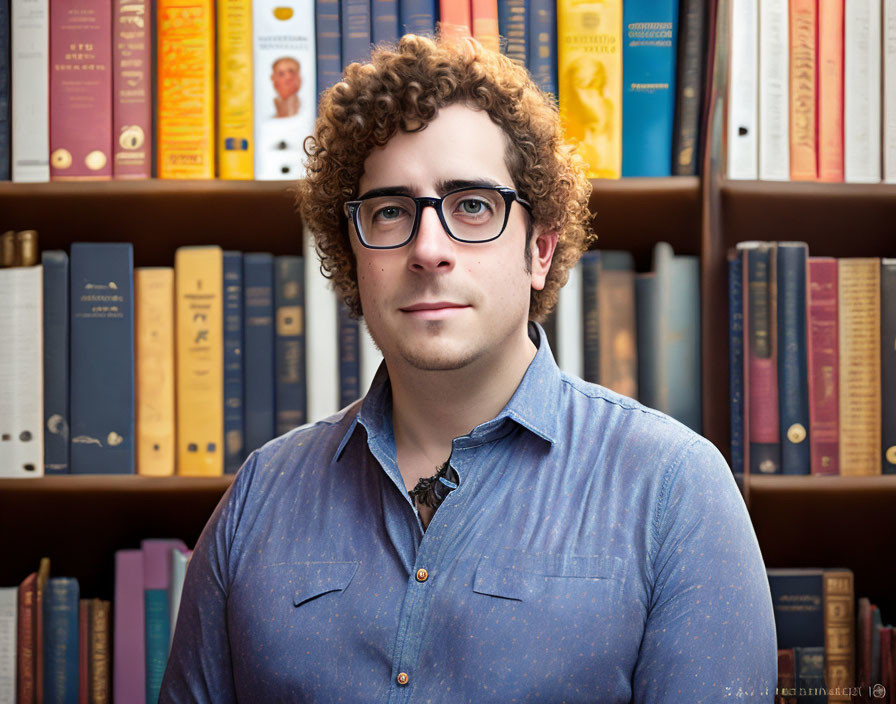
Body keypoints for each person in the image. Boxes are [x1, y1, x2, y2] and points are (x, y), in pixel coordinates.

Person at [160, 34, 777, 702]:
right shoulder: (259, 498)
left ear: (540, 250)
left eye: (472, 207)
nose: (429, 250)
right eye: (391, 211)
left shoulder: (675, 490)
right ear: (353, 257)